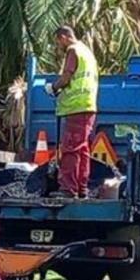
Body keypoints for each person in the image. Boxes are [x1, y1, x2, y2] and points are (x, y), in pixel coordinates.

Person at [49, 26, 99, 198]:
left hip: (77, 107)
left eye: (58, 42)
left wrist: (53, 87)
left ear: (64, 37)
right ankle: (81, 189)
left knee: (70, 148)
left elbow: (66, 77)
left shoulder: (73, 50)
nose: (58, 47)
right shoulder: (87, 53)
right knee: (82, 150)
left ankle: (68, 189)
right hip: (87, 107)